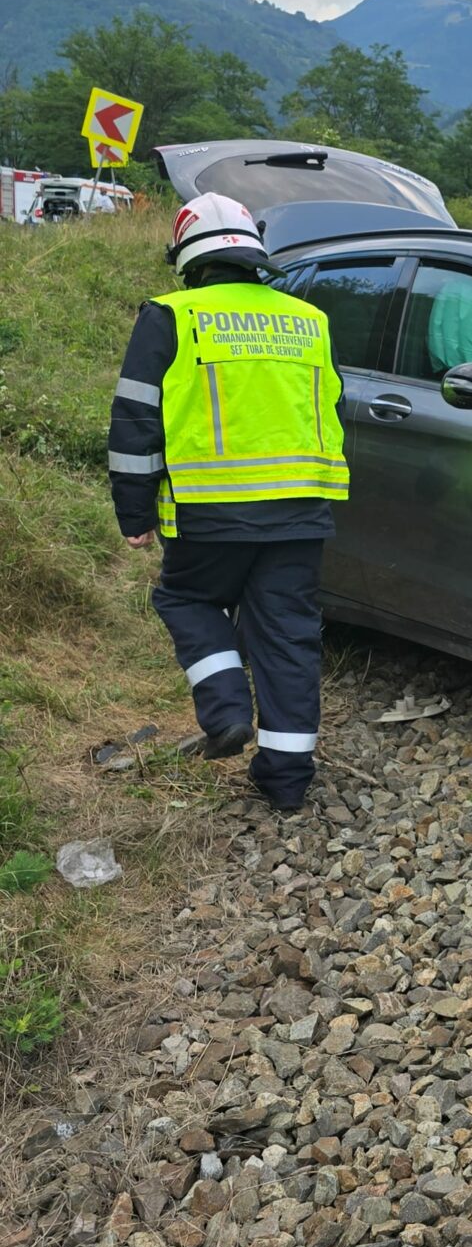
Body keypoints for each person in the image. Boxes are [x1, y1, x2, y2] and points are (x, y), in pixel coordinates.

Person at [107, 193, 349, 813]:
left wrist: (133, 515)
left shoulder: (171, 315)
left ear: (188, 259)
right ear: (253, 254)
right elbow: (331, 409)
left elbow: (136, 420)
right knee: (288, 635)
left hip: (207, 512)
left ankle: (226, 710)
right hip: (300, 509)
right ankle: (287, 782)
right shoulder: (308, 320)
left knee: (184, 597)